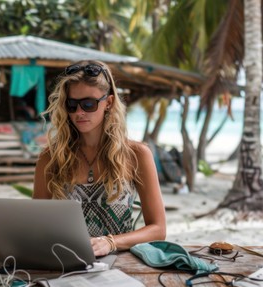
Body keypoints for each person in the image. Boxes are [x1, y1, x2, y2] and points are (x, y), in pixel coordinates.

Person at [33, 60, 166, 257]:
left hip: (121, 262)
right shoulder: (51, 158)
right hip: (65, 262)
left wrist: (110, 242)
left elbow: (158, 229)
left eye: (88, 104)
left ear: (109, 102)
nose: (79, 113)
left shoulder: (137, 155)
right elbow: (35, 224)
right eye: (72, 105)